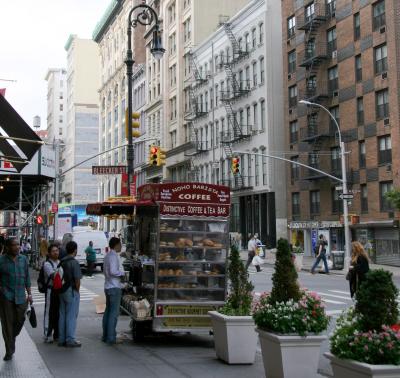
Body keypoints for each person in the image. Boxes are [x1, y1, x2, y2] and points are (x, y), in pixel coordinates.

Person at [0, 238, 32, 361]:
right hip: (6, 297)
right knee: (7, 324)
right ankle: (9, 350)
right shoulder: (1, 261)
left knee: (20, 320)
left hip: (21, 296)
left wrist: (29, 294)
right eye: (14, 245)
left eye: (18, 245)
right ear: (7, 247)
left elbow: (27, 278)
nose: (17, 247)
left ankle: (11, 337)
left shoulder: (23, 259)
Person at [58, 241, 82, 348]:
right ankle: (70, 339)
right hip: (71, 290)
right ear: (75, 250)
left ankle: (62, 339)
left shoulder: (61, 261)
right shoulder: (74, 262)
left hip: (61, 290)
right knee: (71, 315)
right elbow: (77, 280)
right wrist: (77, 291)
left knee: (62, 314)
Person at [102, 237, 125, 345]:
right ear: (116, 245)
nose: (121, 246)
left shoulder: (107, 256)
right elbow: (113, 271)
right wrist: (122, 273)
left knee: (108, 312)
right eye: (120, 244)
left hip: (108, 286)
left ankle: (106, 335)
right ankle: (111, 337)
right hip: (114, 287)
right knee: (113, 314)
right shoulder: (113, 256)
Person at [43, 244, 60, 343]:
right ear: (49, 253)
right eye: (53, 251)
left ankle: (56, 334)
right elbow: (55, 276)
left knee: (57, 312)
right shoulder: (47, 264)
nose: (56, 252)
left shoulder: (59, 262)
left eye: (57, 250)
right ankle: (47, 334)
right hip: (50, 290)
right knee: (49, 312)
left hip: (58, 291)